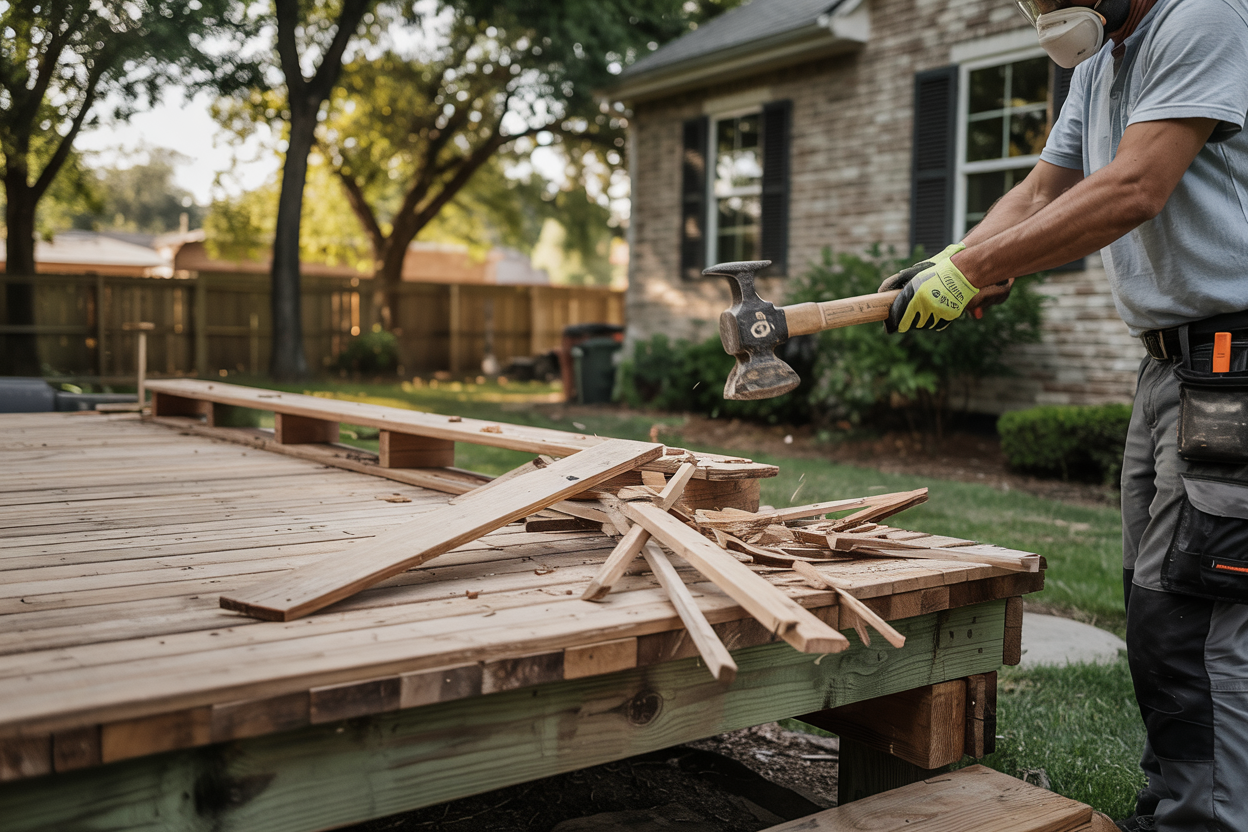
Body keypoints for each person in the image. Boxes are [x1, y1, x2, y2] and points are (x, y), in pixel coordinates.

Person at [879, 0, 1248, 829]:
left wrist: (974, 268)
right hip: (1167, 368)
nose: (1042, 8)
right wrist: (949, 265)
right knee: (1156, 607)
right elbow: (1046, 187)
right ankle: (1181, 804)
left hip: (1234, 361)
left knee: (1196, 612)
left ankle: (1209, 821)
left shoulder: (1205, 17)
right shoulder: (1099, 63)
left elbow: (1134, 187)